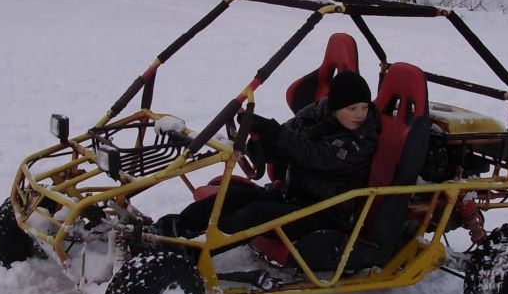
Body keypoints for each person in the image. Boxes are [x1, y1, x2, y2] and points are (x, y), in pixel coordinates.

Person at [156, 71, 380, 248]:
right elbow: (287, 137)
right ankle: (170, 231)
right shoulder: (317, 117)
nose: (360, 114)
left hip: (326, 213)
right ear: (334, 107)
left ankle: (192, 253)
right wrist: (258, 133)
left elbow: (315, 157)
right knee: (236, 195)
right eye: (352, 108)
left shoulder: (362, 139)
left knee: (256, 214)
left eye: (364, 107)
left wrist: (274, 132)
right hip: (296, 196)